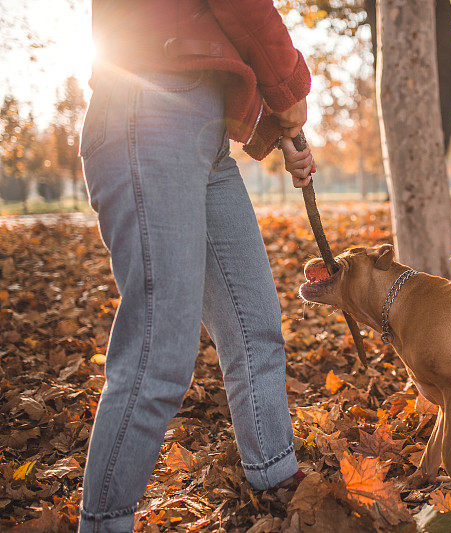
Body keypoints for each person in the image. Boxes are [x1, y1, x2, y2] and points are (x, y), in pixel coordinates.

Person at [78, 2, 315, 531]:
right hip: (149, 114)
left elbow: (207, 39)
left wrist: (276, 129)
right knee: (159, 354)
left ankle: (273, 475)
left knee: (253, 322)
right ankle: (103, 523)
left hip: (201, 132)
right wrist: (289, 89)